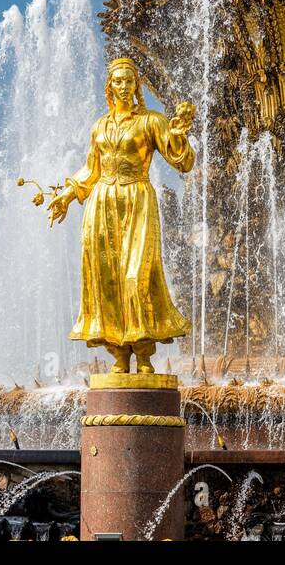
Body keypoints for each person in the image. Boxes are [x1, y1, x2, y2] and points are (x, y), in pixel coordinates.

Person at [47, 57, 195, 374]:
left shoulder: (151, 121)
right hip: (101, 205)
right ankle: (118, 354)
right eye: (118, 81)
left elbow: (181, 162)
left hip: (138, 200)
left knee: (135, 277)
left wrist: (178, 135)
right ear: (110, 87)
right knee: (107, 280)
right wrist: (67, 195)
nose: (124, 86)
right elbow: (91, 169)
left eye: (129, 81)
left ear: (136, 85)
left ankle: (143, 353)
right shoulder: (99, 126)